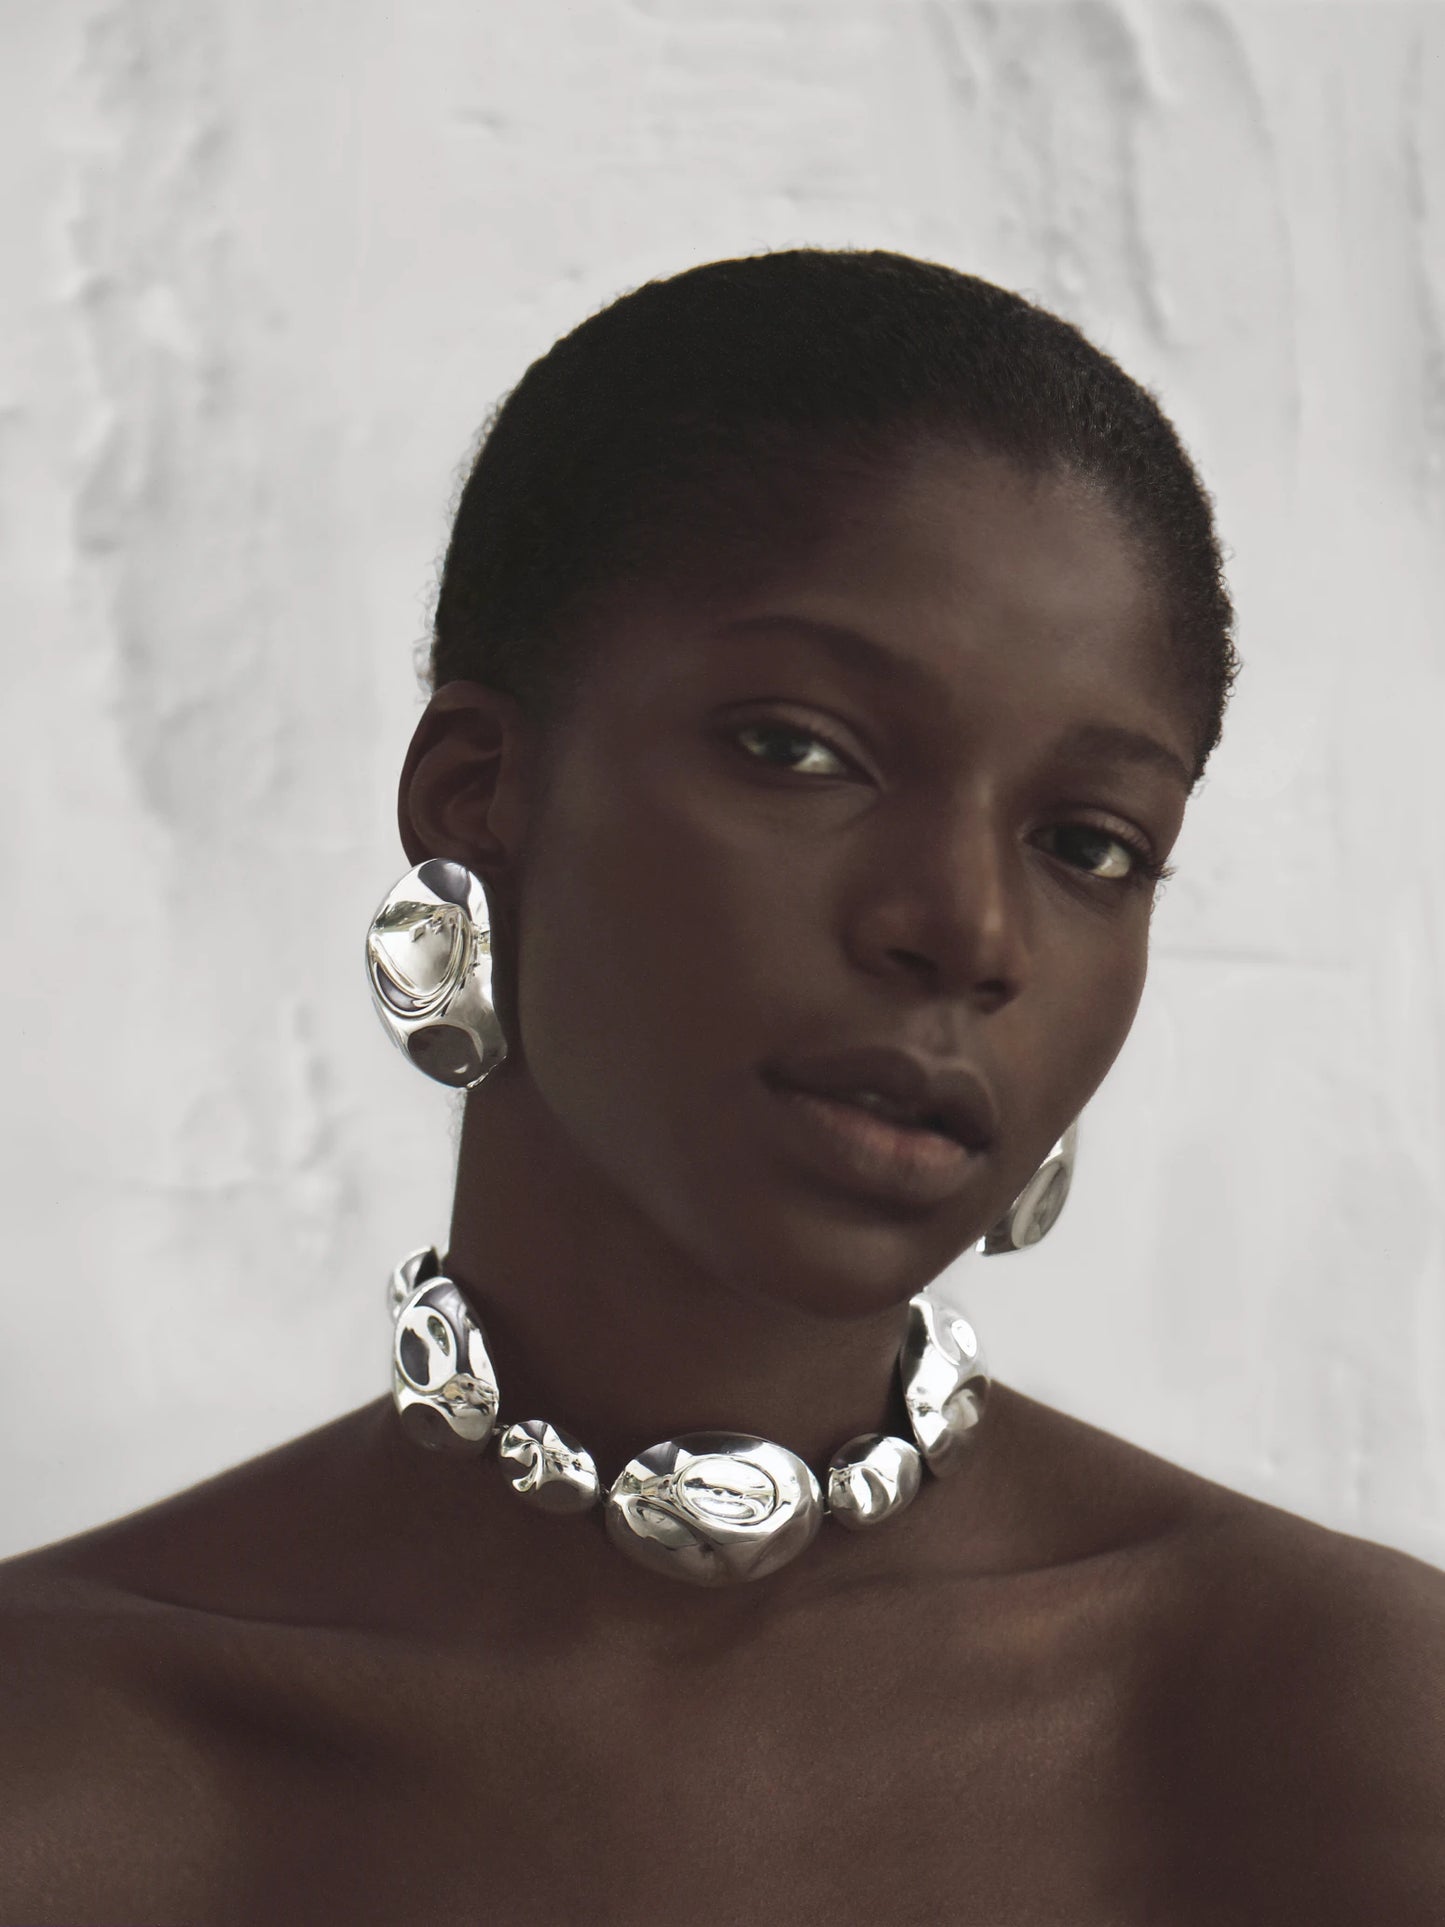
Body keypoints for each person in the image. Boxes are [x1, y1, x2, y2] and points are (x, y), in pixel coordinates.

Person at [1, 247, 1441, 1926]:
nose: (967, 931)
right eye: (800, 750)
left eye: (1087, 845)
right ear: (477, 789)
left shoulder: (1341, 1732)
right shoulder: (66, 1765)